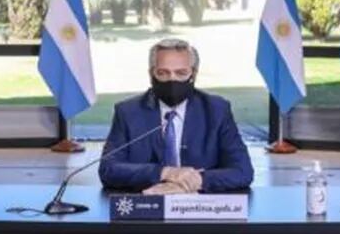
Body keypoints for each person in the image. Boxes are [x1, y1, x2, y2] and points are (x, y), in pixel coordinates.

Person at [99, 38, 254, 194]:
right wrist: (166, 173)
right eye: (163, 73)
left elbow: (243, 171)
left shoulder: (216, 110)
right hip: (146, 205)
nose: (172, 80)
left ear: (193, 74)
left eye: (181, 73)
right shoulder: (128, 112)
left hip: (202, 209)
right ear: (151, 74)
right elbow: (108, 169)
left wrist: (194, 181)